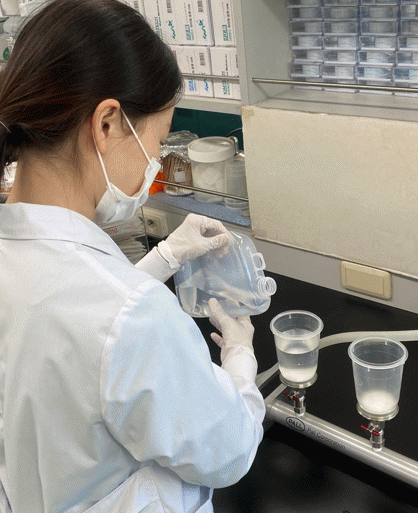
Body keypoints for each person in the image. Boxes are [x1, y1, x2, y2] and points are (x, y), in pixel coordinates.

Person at [0, 0, 265, 511]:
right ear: (107, 124)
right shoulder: (131, 316)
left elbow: (69, 327)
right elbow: (228, 451)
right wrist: (239, 361)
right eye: (158, 144)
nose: (156, 166)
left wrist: (165, 257)